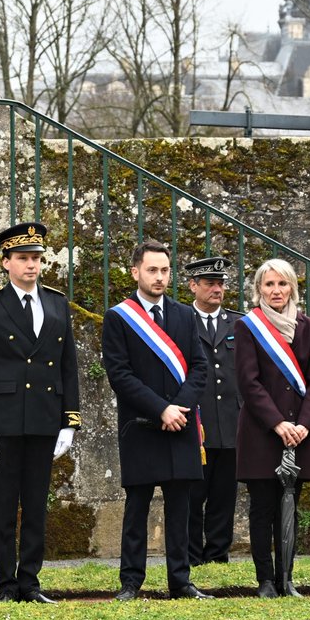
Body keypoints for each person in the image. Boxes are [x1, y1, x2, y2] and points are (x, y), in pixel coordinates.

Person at [0, 222, 80, 603]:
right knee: (3, 506)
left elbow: (69, 365)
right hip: (4, 420)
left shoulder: (57, 302)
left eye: (36, 258)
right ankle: (6, 584)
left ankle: (30, 582)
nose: (31, 265)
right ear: (6, 262)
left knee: (36, 505)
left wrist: (70, 421)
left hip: (45, 418)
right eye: (23, 259)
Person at [103, 240, 212, 601]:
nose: (160, 277)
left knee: (181, 508)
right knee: (137, 508)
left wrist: (178, 408)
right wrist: (159, 410)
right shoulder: (118, 317)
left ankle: (180, 581)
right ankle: (131, 582)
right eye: (152, 270)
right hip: (142, 427)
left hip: (179, 424)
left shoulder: (183, 315)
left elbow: (200, 367)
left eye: (165, 270)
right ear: (135, 272)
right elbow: (120, 375)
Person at [235, 258, 310, 599]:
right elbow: (248, 382)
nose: (276, 291)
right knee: (263, 509)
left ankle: (287, 577)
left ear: (292, 288)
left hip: (299, 433)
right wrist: (278, 423)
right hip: (262, 432)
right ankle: (266, 581)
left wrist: (303, 425)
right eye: (269, 285)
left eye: (282, 284)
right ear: (259, 289)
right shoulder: (248, 326)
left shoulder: (308, 326)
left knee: (291, 508)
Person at [184, 256, 241, 566]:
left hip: (231, 422)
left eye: (221, 283)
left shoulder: (239, 322)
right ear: (194, 286)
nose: (217, 289)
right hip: (197, 421)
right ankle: (192, 554)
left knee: (224, 494)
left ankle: (218, 553)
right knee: (193, 494)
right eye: (210, 283)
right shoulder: (181, 320)